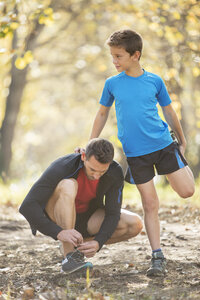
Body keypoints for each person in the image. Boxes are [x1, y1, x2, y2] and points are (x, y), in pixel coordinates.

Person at [89, 29, 195, 277]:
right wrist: (91, 140)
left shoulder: (154, 81)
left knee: (187, 191)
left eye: (119, 56)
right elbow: (102, 113)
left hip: (163, 145)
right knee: (150, 204)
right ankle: (157, 256)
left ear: (135, 55)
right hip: (136, 155)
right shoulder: (112, 83)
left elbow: (168, 111)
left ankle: (180, 164)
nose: (114, 61)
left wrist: (181, 139)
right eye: (112, 56)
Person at [19, 138, 143, 274]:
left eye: (102, 172)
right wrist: (58, 232)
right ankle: (69, 257)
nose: (96, 176)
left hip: (88, 218)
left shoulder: (115, 172)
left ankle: (77, 249)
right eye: (92, 170)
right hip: (57, 215)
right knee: (68, 184)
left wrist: (98, 242)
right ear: (84, 156)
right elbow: (28, 206)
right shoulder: (63, 166)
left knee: (135, 224)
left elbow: (113, 213)